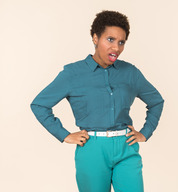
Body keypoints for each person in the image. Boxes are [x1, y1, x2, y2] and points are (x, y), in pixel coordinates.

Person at [30, 10, 164, 192]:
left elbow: (156, 101)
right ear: (95, 38)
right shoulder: (72, 73)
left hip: (127, 148)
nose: (116, 48)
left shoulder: (130, 72)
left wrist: (145, 132)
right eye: (110, 39)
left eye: (121, 42)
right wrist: (64, 135)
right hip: (91, 150)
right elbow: (39, 104)